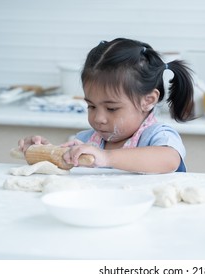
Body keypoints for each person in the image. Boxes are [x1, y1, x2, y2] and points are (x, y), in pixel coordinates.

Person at [18, 38, 195, 174]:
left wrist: (106, 157)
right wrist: (44, 152)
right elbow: (66, 168)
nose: (98, 118)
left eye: (111, 108)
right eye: (91, 106)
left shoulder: (158, 136)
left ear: (147, 101)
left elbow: (169, 159)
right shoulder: (86, 140)